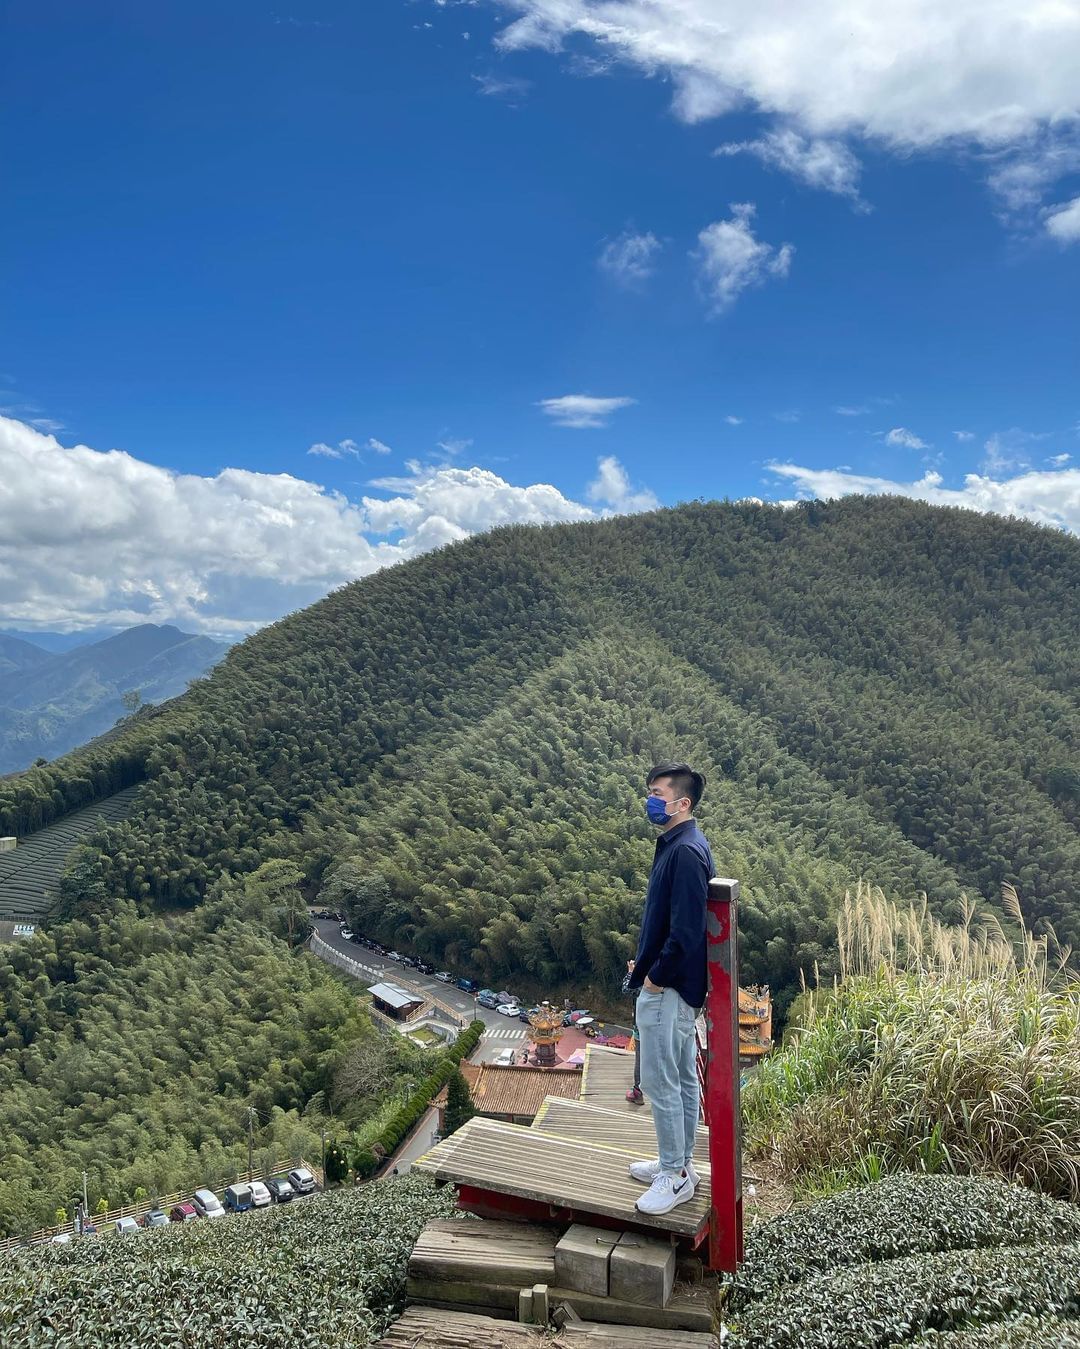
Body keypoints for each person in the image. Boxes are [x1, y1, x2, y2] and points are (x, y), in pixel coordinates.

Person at [624, 762, 713, 1216]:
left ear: (683, 803)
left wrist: (655, 977)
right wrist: (646, 963)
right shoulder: (681, 844)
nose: (651, 800)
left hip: (670, 988)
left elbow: (687, 931)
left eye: (657, 793)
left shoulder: (683, 852)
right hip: (674, 984)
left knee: (661, 1082)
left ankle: (675, 1175)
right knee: (680, 1079)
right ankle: (678, 1164)